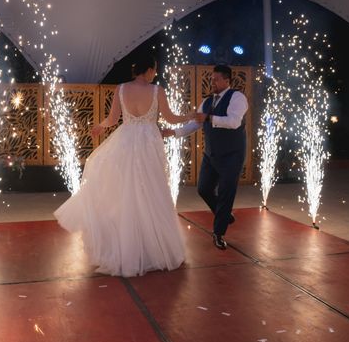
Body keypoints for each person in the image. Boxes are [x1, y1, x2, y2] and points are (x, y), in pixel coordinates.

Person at [53, 57, 194, 277]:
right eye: (154, 70)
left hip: (126, 141)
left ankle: (125, 249)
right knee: (152, 191)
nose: (155, 74)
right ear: (148, 69)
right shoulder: (158, 90)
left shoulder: (121, 89)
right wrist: (191, 116)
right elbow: (170, 117)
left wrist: (99, 126)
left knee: (125, 192)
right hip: (148, 143)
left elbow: (112, 120)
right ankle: (152, 249)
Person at [169, 64, 248, 250]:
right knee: (203, 189)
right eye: (211, 79)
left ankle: (218, 233)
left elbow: (234, 122)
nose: (212, 82)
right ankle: (225, 214)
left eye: (216, 79)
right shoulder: (206, 101)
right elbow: (194, 124)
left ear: (227, 80)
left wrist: (209, 118)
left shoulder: (237, 97)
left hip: (232, 155)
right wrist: (173, 132)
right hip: (211, 154)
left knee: (226, 193)